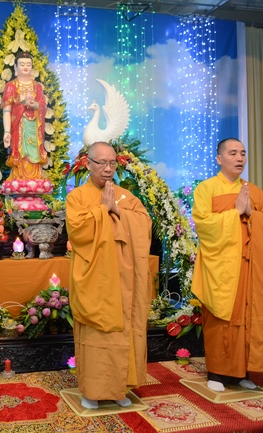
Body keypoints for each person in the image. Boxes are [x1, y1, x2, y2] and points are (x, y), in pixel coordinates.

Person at [191, 138, 263, 392]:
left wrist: (252, 213)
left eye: (243, 153)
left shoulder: (254, 191)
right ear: (219, 159)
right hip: (221, 267)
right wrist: (235, 213)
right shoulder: (206, 189)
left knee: (247, 317)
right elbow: (203, 225)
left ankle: (242, 372)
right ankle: (217, 373)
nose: (240, 158)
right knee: (221, 318)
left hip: (248, 266)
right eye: (233, 153)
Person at [65, 142, 153, 410]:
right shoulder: (77, 197)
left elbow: (145, 224)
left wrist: (117, 210)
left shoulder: (125, 196)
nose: (107, 168)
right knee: (97, 333)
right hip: (96, 279)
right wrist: (102, 210)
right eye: (101, 163)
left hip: (126, 278)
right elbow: (77, 230)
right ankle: (92, 391)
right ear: (88, 164)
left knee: (122, 331)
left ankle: (118, 388)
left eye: (112, 163)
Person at [2, 51, 48, 180]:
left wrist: (35, 105)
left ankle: (35, 177)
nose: (25, 67)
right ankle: (19, 177)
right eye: (22, 64)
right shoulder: (11, 86)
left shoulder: (37, 86)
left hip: (34, 125)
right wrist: (7, 132)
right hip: (18, 126)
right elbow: (7, 110)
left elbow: (42, 106)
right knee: (20, 151)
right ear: (16, 67)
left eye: (28, 64)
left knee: (34, 151)